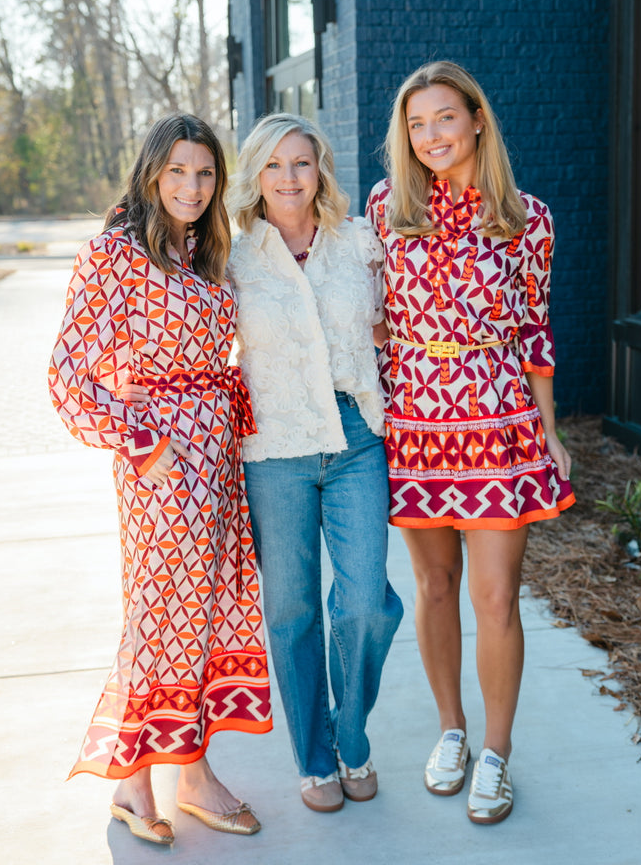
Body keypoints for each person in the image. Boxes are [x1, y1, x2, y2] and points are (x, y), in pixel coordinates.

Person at [48, 113, 271, 847]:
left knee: (202, 610)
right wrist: (144, 442)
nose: (192, 186)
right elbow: (69, 378)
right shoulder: (116, 253)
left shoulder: (208, 248)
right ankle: (172, 775)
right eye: (177, 171)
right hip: (162, 464)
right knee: (161, 611)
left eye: (205, 173)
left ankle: (155, 774)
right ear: (151, 173)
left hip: (218, 458)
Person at [366, 61, 574, 825]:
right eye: (417, 125)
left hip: (497, 423)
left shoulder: (527, 219)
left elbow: (535, 330)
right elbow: (381, 322)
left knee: (495, 597)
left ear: (477, 119)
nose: (431, 137)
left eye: (445, 118)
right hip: (418, 423)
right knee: (433, 588)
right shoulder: (388, 206)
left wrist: (548, 432)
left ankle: (495, 752)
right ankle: (449, 730)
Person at [225, 111, 403, 814]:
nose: (289, 178)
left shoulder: (360, 242)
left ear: (320, 168)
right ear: (256, 176)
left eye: (301, 162)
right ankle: (314, 758)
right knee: (293, 609)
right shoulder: (232, 256)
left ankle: (350, 734)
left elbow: (399, 322)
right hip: (273, 449)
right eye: (274, 165)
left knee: (364, 601)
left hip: (356, 438)